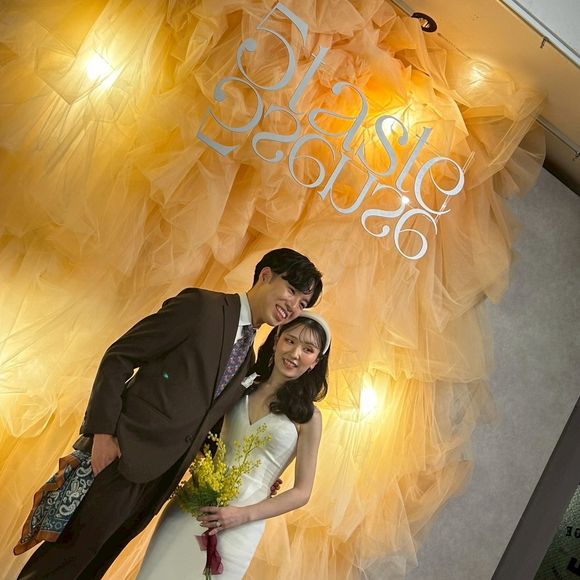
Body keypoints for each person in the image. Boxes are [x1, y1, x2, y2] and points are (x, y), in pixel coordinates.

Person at [16, 248, 323, 580]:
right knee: (64, 562)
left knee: (95, 565)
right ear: (265, 275)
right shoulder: (201, 307)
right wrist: (102, 435)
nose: (294, 306)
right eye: (292, 290)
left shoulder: (248, 360)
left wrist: (253, 471)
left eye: (303, 303)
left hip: (163, 483)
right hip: (121, 459)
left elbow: (206, 423)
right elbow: (120, 356)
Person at [137, 312, 331, 579]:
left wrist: (241, 515)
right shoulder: (242, 385)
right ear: (276, 340)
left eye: (308, 349)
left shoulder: (309, 417)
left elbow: (302, 492)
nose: (295, 353)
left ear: (315, 361)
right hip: (191, 504)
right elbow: (201, 432)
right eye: (290, 340)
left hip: (240, 525)